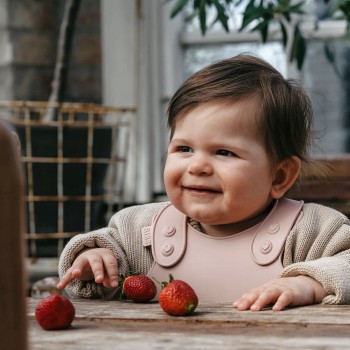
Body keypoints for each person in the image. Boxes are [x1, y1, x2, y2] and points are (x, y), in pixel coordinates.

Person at [57, 54, 350, 311]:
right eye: (183, 148)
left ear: (279, 175)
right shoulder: (140, 229)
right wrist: (93, 258)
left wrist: (308, 283)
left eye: (224, 152)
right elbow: (96, 272)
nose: (197, 166)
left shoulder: (311, 231)